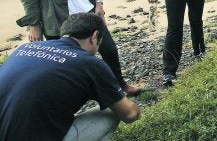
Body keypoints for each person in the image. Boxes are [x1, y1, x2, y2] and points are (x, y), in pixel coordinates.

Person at [0, 13, 140, 140]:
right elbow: (130, 114)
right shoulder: (90, 63)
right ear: (94, 36)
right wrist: (132, 105)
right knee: (112, 112)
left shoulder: (24, 48)